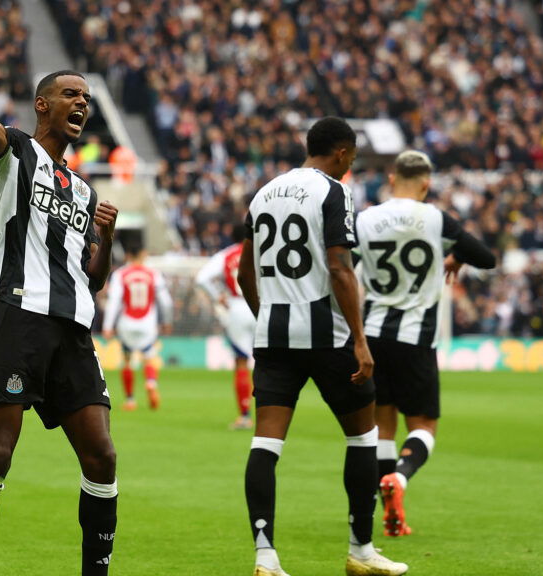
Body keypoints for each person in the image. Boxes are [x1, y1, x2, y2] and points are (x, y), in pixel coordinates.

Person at [0, 22, 121, 576]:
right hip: (17, 314)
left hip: (73, 328)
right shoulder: (15, 151)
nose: (83, 104)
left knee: (103, 456)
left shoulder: (83, 189)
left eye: (87, 99)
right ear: (43, 105)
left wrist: (107, 238)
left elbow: (93, 279)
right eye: (72, 94)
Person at [237, 117, 408, 576]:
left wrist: (268, 314)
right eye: (351, 156)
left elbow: (242, 273)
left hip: (273, 335)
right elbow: (339, 267)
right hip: (325, 334)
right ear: (341, 153)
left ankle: (266, 557)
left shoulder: (262, 193)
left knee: (266, 442)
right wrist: (359, 337)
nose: (351, 165)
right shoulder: (334, 191)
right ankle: (361, 551)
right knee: (363, 436)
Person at [354, 150, 497, 537]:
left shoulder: (365, 219)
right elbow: (487, 258)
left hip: (373, 335)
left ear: (391, 177)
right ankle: (399, 479)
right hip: (416, 338)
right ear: (426, 183)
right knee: (423, 425)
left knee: (382, 425)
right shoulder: (435, 219)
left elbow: (342, 268)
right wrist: (456, 256)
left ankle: (388, 516)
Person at [195, 224, 258, 429]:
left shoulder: (226, 255)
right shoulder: (261, 251)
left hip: (236, 307)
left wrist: (217, 297)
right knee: (266, 361)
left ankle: (245, 415)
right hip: (261, 306)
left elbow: (202, 278)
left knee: (241, 361)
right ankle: (270, 411)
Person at [101, 239, 174, 411]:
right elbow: (166, 301)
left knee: (127, 361)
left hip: (127, 323)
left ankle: (130, 399)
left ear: (127, 255)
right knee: (149, 356)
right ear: (143, 254)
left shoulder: (120, 274)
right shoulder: (153, 274)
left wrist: (107, 326)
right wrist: (167, 321)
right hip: (147, 323)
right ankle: (150, 382)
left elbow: (114, 302)